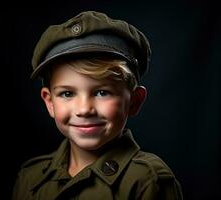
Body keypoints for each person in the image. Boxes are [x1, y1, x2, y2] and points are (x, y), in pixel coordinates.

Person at [12, 11, 183, 200]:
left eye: (102, 92)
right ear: (50, 102)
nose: (84, 109)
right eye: (67, 93)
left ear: (134, 101)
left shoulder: (148, 181)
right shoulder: (30, 177)